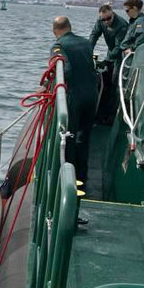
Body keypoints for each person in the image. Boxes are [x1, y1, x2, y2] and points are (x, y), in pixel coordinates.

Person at [50, 16, 98, 215]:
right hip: (91, 96)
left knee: (69, 139)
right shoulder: (86, 43)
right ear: (70, 27)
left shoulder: (59, 46)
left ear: (55, 31)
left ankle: (69, 180)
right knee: (84, 139)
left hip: (75, 98)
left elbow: (65, 70)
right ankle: (83, 178)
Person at [89, 3, 128, 125]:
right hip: (110, 51)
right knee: (106, 82)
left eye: (108, 18)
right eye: (103, 19)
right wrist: (88, 51)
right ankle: (100, 112)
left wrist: (107, 60)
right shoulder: (100, 21)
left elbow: (119, 47)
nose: (106, 21)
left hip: (120, 55)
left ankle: (111, 116)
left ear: (113, 14)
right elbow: (94, 36)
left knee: (114, 83)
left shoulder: (121, 25)